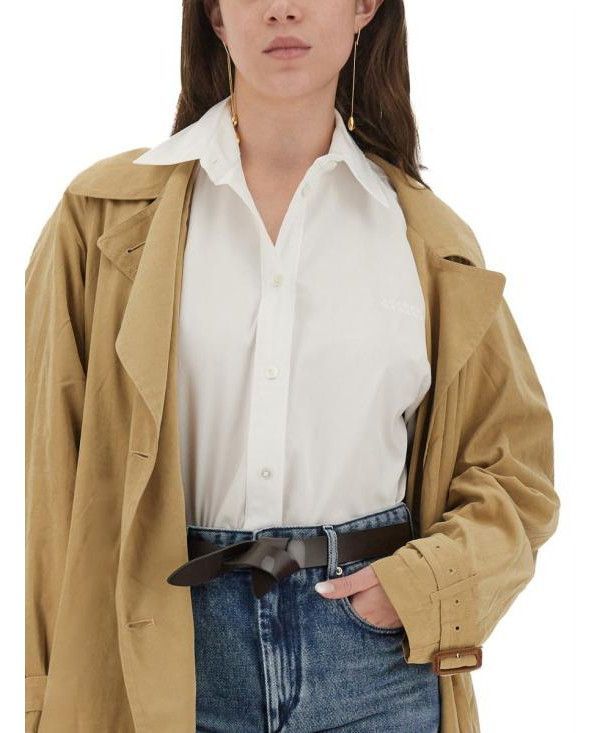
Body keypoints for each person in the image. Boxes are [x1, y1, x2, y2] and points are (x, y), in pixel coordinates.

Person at [25, 1, 560, 732]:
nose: (282, 9)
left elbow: (514, 472)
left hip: (375, 668)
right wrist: (43, 695)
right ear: (216, 16)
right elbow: (51, 484)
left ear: (363, 7)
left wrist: (422, 587)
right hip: (166, 658)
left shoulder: (429, 240)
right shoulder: (100, 220)